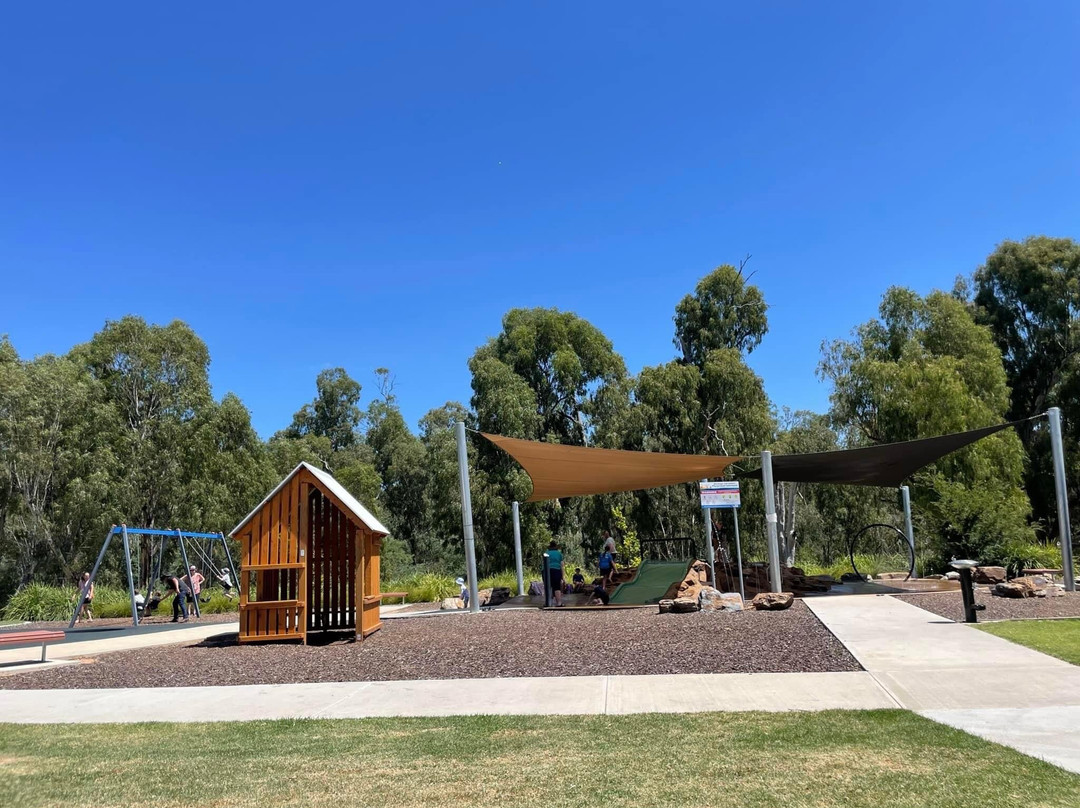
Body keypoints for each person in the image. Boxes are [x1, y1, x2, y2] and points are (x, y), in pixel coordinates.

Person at [545, 541, 564, 607]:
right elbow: (561, 565)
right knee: (556, 587)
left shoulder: (546, 553)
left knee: (548, 586)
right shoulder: (559, 554)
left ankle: (548, 603)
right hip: (556, 570)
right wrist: (562, 577)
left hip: (546, 570)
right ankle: (559, 603)